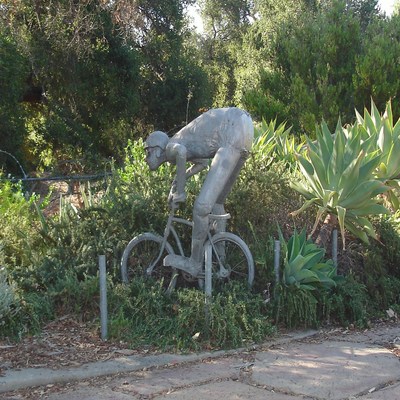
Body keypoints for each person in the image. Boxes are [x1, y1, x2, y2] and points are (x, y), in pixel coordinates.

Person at [144, 107, 254, 277]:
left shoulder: (171, 147)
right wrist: (181, 179)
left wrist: (180, 192)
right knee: (217, 203)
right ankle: (220, 259)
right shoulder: (180, 141)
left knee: (201, 207)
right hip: (244, 129)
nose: (146, 158)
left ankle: (194, 262)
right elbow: (202, 163)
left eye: (148, 152)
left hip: (231, 131)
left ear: (158, 149)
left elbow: (180, 153)